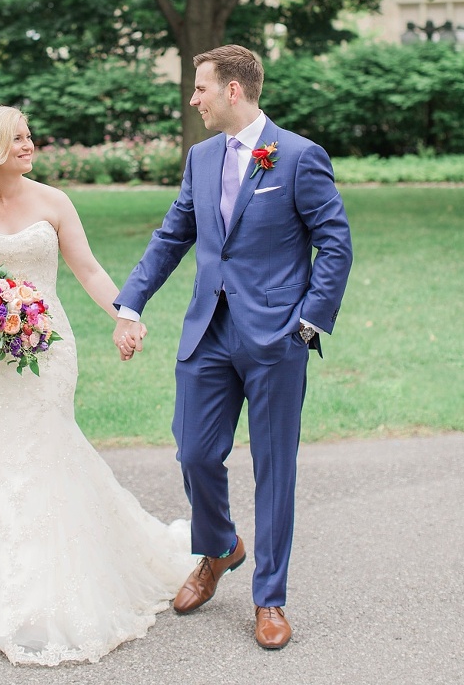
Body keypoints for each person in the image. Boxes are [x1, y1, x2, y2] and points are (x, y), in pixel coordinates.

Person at [0, 105, 195, 666]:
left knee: (45, 447)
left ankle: (47, 583)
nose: (30, 145)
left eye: (30, 136)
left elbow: (90, 271)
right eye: (17, 139)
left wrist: (125, 315)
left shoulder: (54, 202)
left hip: (49, 350)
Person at [113, 45, 352, 650]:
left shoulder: (298, 157)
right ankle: (220, 549)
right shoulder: (201, 158)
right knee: (194, 451)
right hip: (207, 332)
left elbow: (335, 244)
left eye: (200, 89)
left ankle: (269, 599)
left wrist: (308, 323)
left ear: (233, 91)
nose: (193, 100)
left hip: (277, 338)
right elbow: (175, 233)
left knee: (274, 470)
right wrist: (131, 301)